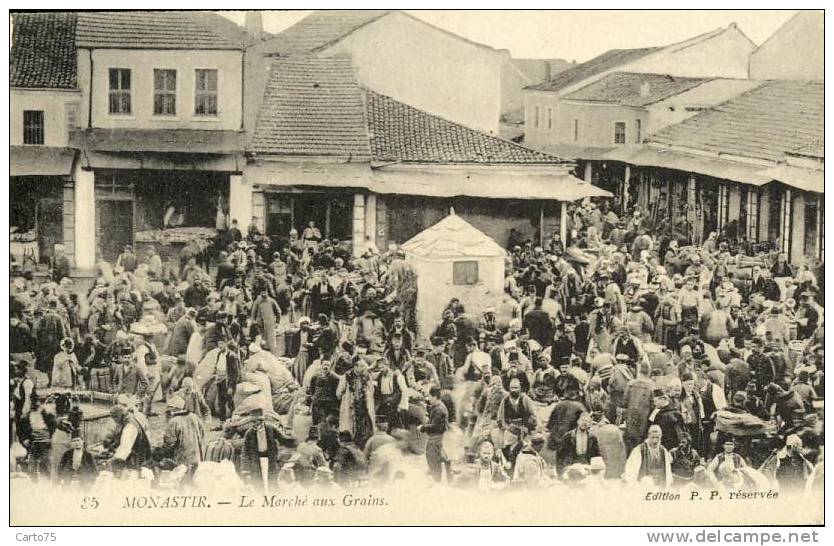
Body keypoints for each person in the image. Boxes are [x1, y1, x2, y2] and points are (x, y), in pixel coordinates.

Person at [419, 386, 449, 482]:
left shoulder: (438, 410)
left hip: (435, 439)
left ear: (435, 397)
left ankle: (436, 481)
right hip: (440, 438)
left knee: (433, 460)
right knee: (437, 461)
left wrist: (423, 427)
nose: (429, 399)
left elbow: (435, 427)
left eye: (430, 396)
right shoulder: (440, 407)